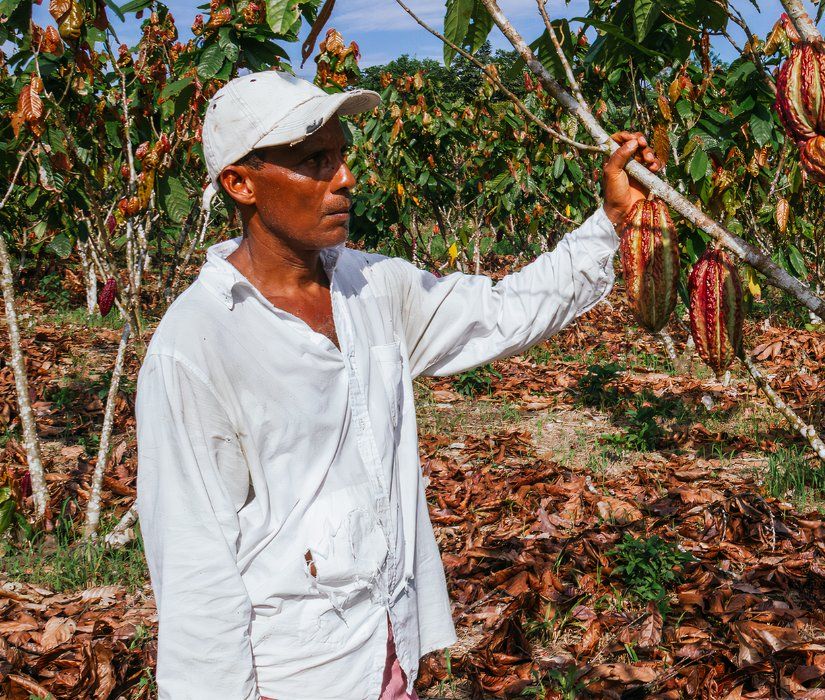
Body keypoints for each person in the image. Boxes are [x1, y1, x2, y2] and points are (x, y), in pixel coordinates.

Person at [134, 70, 659, 700]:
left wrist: (610, 222)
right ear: (241, 183)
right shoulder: (196, 344)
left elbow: (499, 312)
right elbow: (194, 562)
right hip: (291, 675)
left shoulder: (370, 287)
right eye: (314, 161)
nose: (345, 179)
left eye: (342, 156)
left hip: (386, 652)